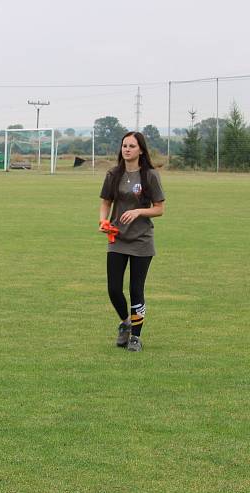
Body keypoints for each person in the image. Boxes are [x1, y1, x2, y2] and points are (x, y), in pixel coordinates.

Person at [99, 131, 165, 352]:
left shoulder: (150, 176)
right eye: (124, 145)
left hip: (141, 241)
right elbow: (106, 202)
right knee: (113, 289)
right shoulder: (113, 174)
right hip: (117, 238)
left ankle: (135, 337)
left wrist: (138, 211)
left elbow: (159, 209)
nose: (127, 149)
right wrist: (102, 220)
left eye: (132, 146)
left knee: (136, 289)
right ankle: (126, 323)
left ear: (141, 150)